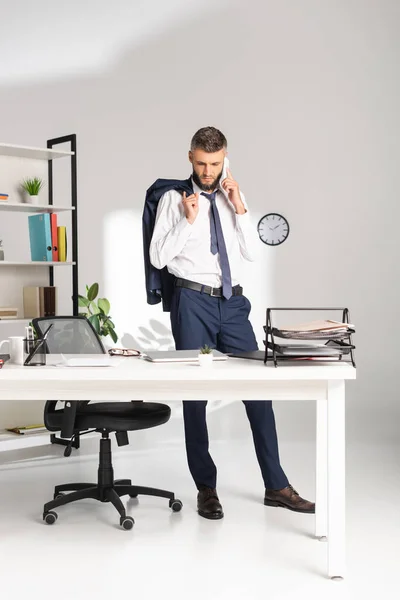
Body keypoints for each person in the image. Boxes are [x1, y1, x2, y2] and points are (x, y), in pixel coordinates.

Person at [149, 126, 314, 520]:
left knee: (258, 391)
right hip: (192, 302)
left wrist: (239, 206)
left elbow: (252, 253)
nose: (209, 171)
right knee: (196, 398)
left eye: (216, 163)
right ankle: (206, 489)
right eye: (203, 164)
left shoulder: (231, 194)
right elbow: (158, 258)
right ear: (190, 157)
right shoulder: (174, 199)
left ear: (227, 158)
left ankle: (276, 486)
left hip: (233, 303)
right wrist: (188, 221)